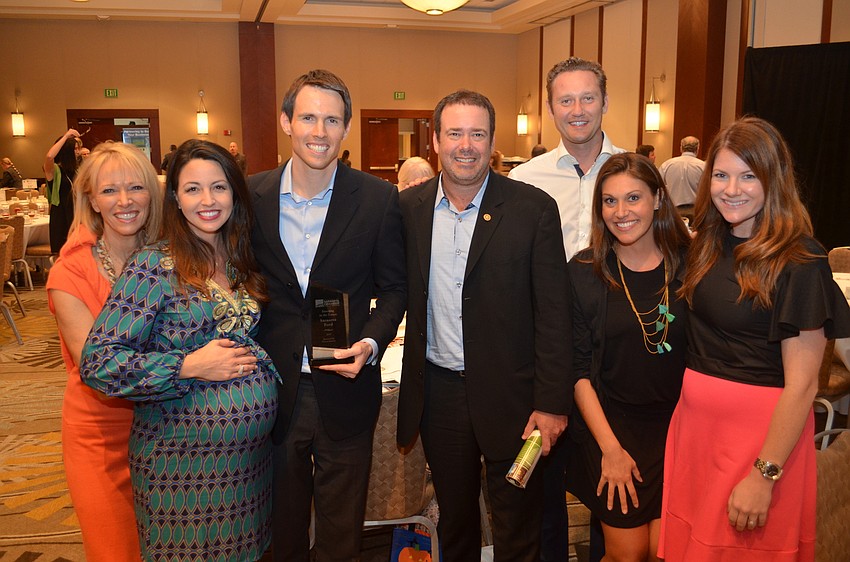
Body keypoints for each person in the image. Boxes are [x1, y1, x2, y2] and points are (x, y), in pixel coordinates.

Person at [659, 117, 850, 561]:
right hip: (696, 433)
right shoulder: (708, 242)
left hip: (759, 442)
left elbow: (802, 385)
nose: (732, 189)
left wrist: (764, 474)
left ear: (774, 180)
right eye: (722, 175)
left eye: (749, 176)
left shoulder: (801, 260)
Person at [80, 139, 279, 562]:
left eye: (219, 187)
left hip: (250, 474)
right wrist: (188, 364)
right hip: (182, 472)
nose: (208, 200)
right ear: (175, 199)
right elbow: (99, 363)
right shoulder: (153, 265)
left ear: (235, 194)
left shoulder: (241, 257)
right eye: (193, 189)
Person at [397, 90, 572, 562]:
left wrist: (552, 403)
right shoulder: (408, 209)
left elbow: (555, 314)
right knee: (454, 520)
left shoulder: (532, 208)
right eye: (454, 133)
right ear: (435, 140)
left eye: (477, 133)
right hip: (439, 394)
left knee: (518, 525)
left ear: (492, 141)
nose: (466, 145)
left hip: (515, 397)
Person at [249, 69, 406, 561]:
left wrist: (372, 342)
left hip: (345, 387)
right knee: (281, 531)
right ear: (286, 122)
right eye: (309, 117)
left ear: (346, 128)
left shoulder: (378, 200)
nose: (320, 131)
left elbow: (396, 288)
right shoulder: (251, 197)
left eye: (332, 120)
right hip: (272, 390)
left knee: (342, 539)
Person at [509, 56, 625, 562]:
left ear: (604, 101)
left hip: (616, 344)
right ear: (551, 109)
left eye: (587, 98)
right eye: (566, 100)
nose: (577, 110)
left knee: (615, 478)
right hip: (548, 349)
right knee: (545, 485)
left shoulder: (631, 172)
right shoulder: (526, 180)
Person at [566, 153, 691, 562]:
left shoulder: (692, 266)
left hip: (680, 430)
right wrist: (610, 450)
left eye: (633, 198)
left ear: (657, 198)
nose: (621, 212)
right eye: (610, 201)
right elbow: (578, 371)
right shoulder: (585, 271)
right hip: (613, 429)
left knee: (663, 551)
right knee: (629, 552)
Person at [47, 142, 163, 562]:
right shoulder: (70, 272)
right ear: (91, 199)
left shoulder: (170, 259)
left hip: (166, 432)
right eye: (110, 190)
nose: (125, 201)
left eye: (136, 187)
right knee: (116, 550)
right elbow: (100, 368)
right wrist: (191, 365)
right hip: (100, 436)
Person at [44, 128, 82, 253]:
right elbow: (49, 156)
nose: (78, 152)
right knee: (62, 254)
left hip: (77, 214)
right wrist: (65, 137)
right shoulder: (54, 170)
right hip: (61, 215)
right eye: (75, 149)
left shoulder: (77, 170)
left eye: (78, 149)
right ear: (67, 151)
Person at [658, 136, 704, 208]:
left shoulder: (667, 164)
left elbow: (657, 186)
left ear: (681, 148)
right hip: (696, 210)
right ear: (697, 149)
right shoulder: (703, 166)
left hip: (672, 210)